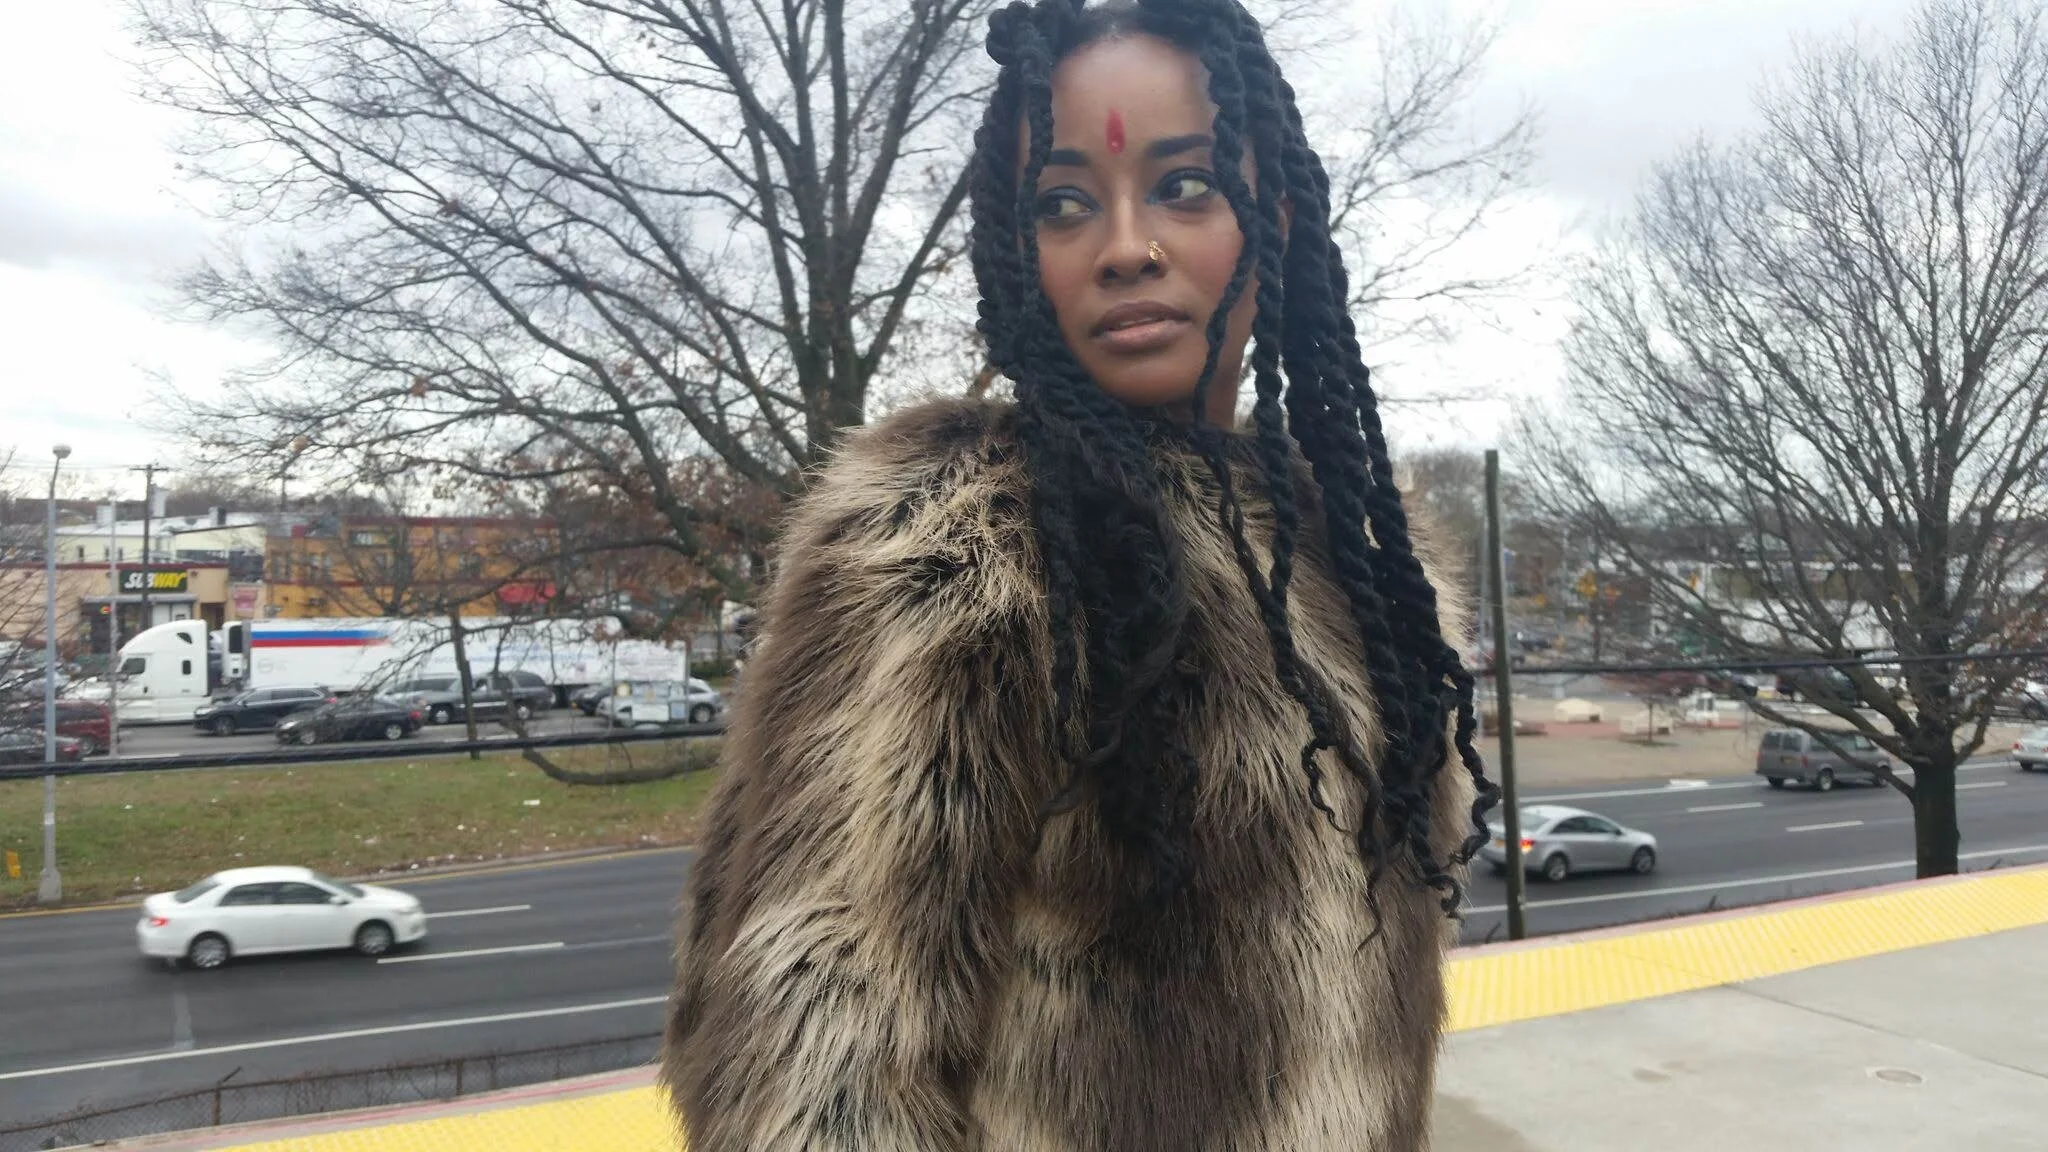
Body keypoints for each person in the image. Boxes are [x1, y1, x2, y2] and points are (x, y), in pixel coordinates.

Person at [660, 1, 1500, 1148]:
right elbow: (815, 1064)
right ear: (1017, 252)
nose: (1124, 246)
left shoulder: (1361, 565)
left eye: (1184, 186)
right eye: (1062, 203)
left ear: (1281, 220)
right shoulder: (953, 540)